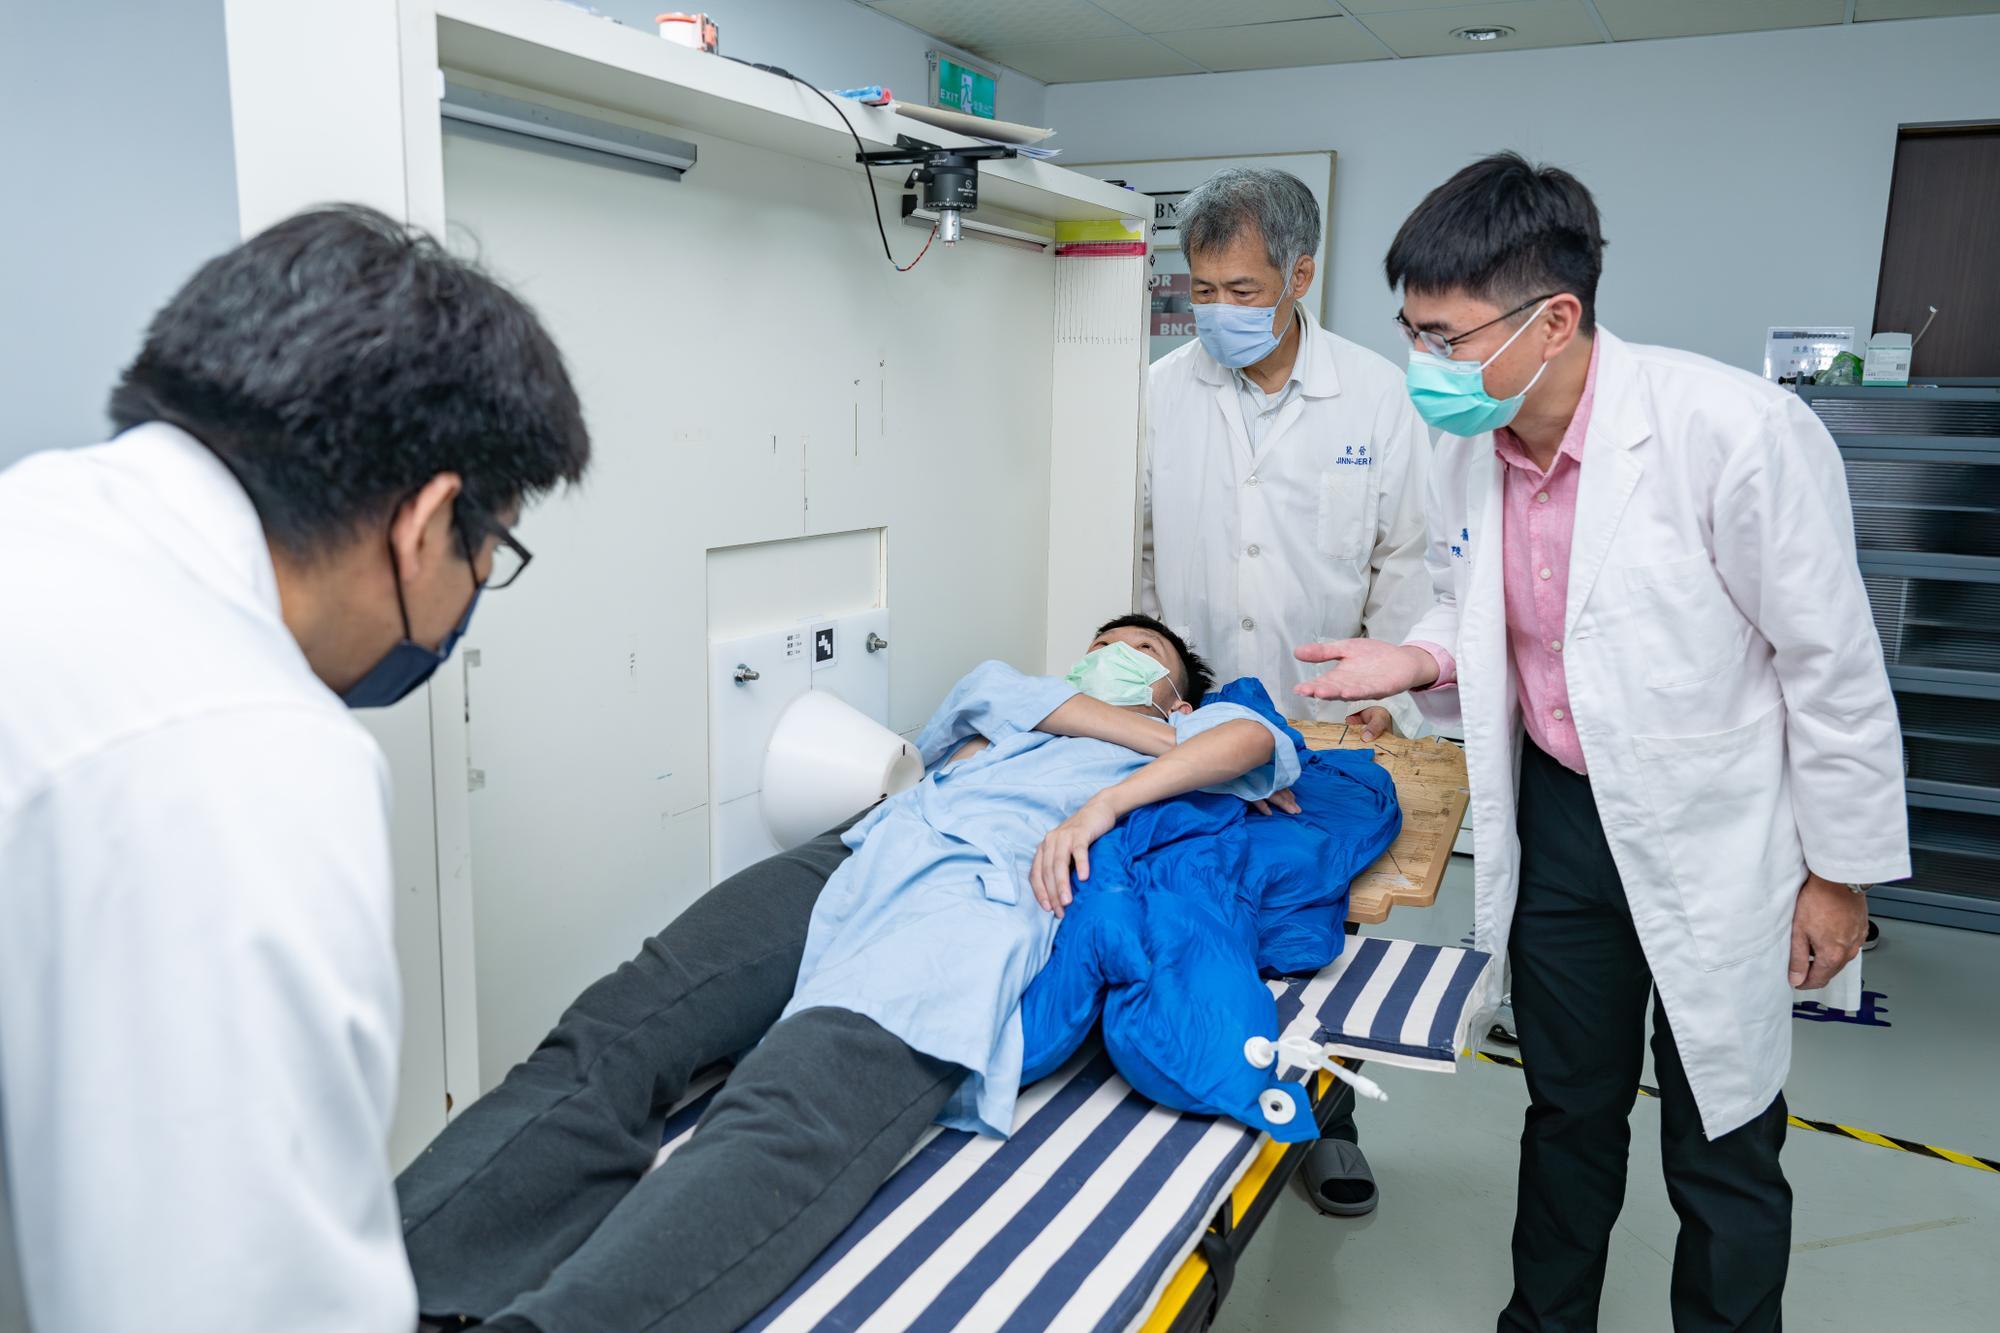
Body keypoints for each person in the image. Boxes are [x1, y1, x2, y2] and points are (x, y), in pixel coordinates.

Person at [1294, 153, 1910, 1331]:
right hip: (1561, 818)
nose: (1422, 362)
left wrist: (1835, 875)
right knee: (1566, 1108)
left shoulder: (1732, 433)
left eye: (1442, 334)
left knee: (1720, 1128)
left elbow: (1829, 670)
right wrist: (1415, 660)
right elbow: (1466, 602)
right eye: (1410, 329)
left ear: (1553, 318)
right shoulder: (1465, 446)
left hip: (1713, 829)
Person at [0, 206, 590, 1332]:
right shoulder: (237, 747)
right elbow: (238, 1297)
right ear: (425, 526)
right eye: (491, 549)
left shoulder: (38, 522)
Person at [397, 615, 1297, 1333]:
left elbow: (1250, 741)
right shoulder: (1028, 692)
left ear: (1181, 689)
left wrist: (1111, 793)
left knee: (788, 1106)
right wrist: (1138, 729)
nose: (1114, 658)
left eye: (1143, 653)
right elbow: (990, 691)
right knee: (620, 1029)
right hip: (863, 847)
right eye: (1102, 646)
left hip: (972, 897)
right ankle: (391, 1273)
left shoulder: (1201, 727)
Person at [1142, 165, 1433, 1213]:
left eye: (1239, 289)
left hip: (1330, 718)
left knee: (1321, 928)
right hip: (1197, 717)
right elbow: (1131, 549)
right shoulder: (1154, 395)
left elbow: (1408, 561)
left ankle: (1328, 1123)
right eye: (1199, 291)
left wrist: (1387, 689)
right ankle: (1217, 1107)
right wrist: (1150, 686)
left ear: (1300, 274)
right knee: (1207, 914)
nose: (1215, 311)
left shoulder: (1376, 395)